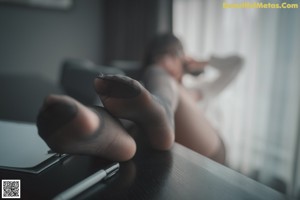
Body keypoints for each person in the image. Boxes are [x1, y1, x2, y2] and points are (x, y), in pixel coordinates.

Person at [37, 33, 241, 164]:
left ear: (182, 59)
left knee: (161, 85)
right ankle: (99, 130)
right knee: (130, 96)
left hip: (212, 153)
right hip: (169, 157)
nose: (165, 63)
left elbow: (237, 63)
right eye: (160, 57)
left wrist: (201, 62)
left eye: (171, 56)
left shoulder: (199, 88)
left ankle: (162, 111)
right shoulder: (140, 92)